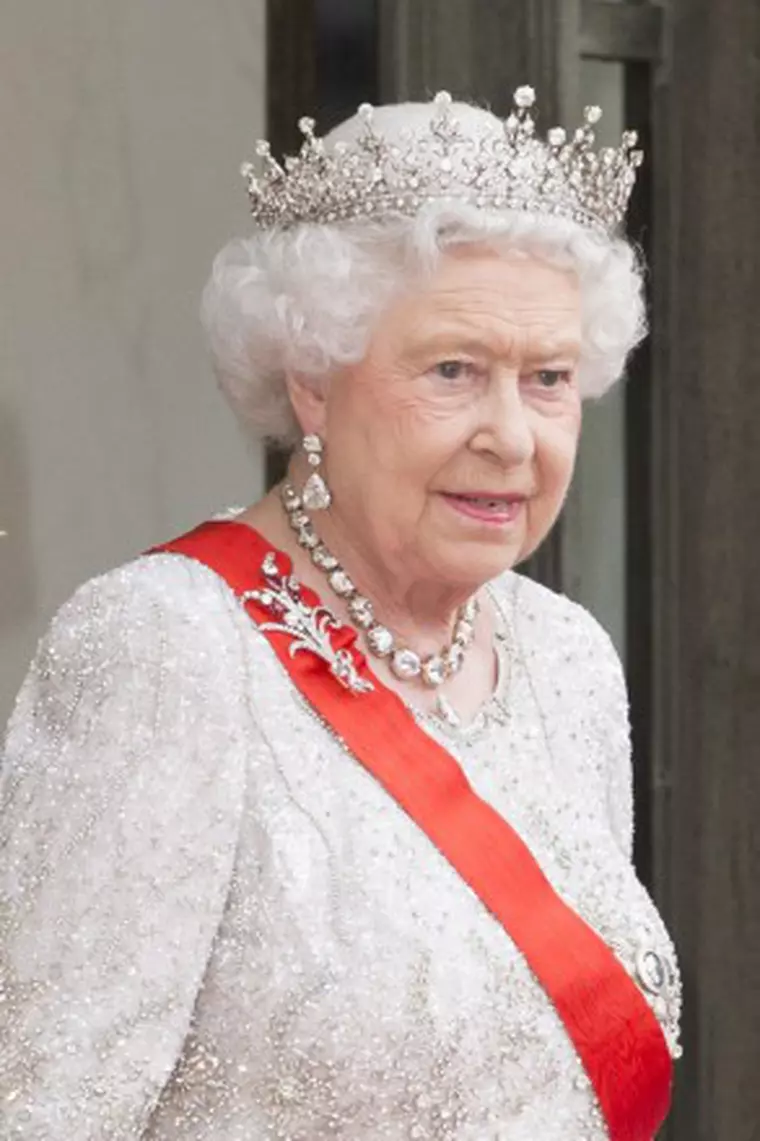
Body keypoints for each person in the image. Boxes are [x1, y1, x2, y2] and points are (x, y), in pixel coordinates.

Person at [0, 87, 680, 1140]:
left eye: (546, 379)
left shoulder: (567, 658)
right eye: (454, 371)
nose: (512, 435)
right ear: (313, 381)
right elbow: (39, 1104)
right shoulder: (168, 648)